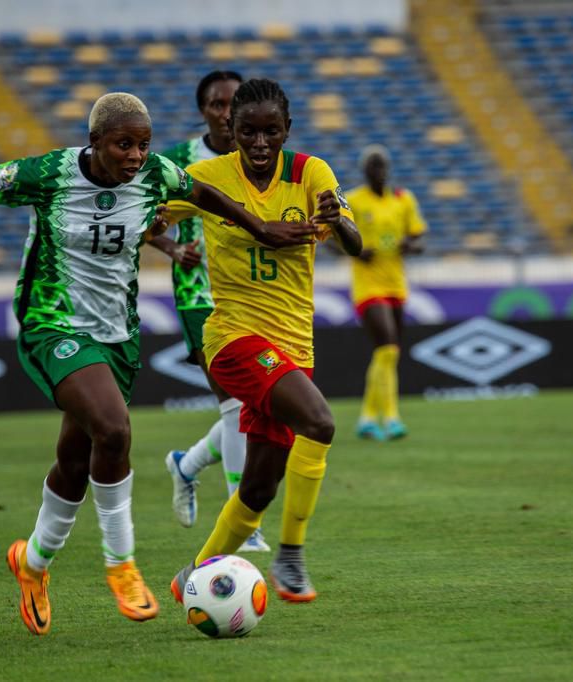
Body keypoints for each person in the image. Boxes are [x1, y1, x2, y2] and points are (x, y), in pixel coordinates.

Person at [0, 92, 311, 636]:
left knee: (75, 457)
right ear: (95, 142)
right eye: (123, 144)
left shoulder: (157, 174)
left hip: (116, 335)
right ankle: (122, 564)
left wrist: (261, 228)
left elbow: (203, 193)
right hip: (53, 322)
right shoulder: (51, 173)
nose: (135, 155)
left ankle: (33, 563)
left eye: (143, 144)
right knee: (113, 430)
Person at [165, 78, 362, 604]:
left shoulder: (310, 173)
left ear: (286, 130)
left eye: (270, 132)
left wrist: (336, 221)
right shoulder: (206, 177)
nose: (258, 143)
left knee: (256, 490)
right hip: (233, 339)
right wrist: (166, 245)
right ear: (229, 129)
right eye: (247, 131)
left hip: (293, 346)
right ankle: (291, 557)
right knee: (319, 422)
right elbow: (145, 216)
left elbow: (355, 243)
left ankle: (194, 575)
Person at [149, 70, 270, 552]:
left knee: (257, 406)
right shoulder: (179, 161)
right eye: (217, 104)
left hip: (252, 298)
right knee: (238, 405)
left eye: (233, 104)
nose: (225, 112)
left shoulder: (257, 161)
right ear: (204, 110)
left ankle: (187, 464)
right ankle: (246, 524)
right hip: (200, 297)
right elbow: (140, 216)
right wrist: (172, 249)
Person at [345, 145, 426, 440]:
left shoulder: (403, 199)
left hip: (396, 284)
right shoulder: (353, 200)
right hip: (367, 286)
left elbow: (419, 238)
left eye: (381, 167)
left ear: (387, 169)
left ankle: (367, 417)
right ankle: (391, 418)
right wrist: (354, 252)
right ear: (364, 171)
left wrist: (409, 246)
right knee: (389, 348)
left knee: (386, 353)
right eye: (372, 167)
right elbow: (330, 237)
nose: (378, 172)